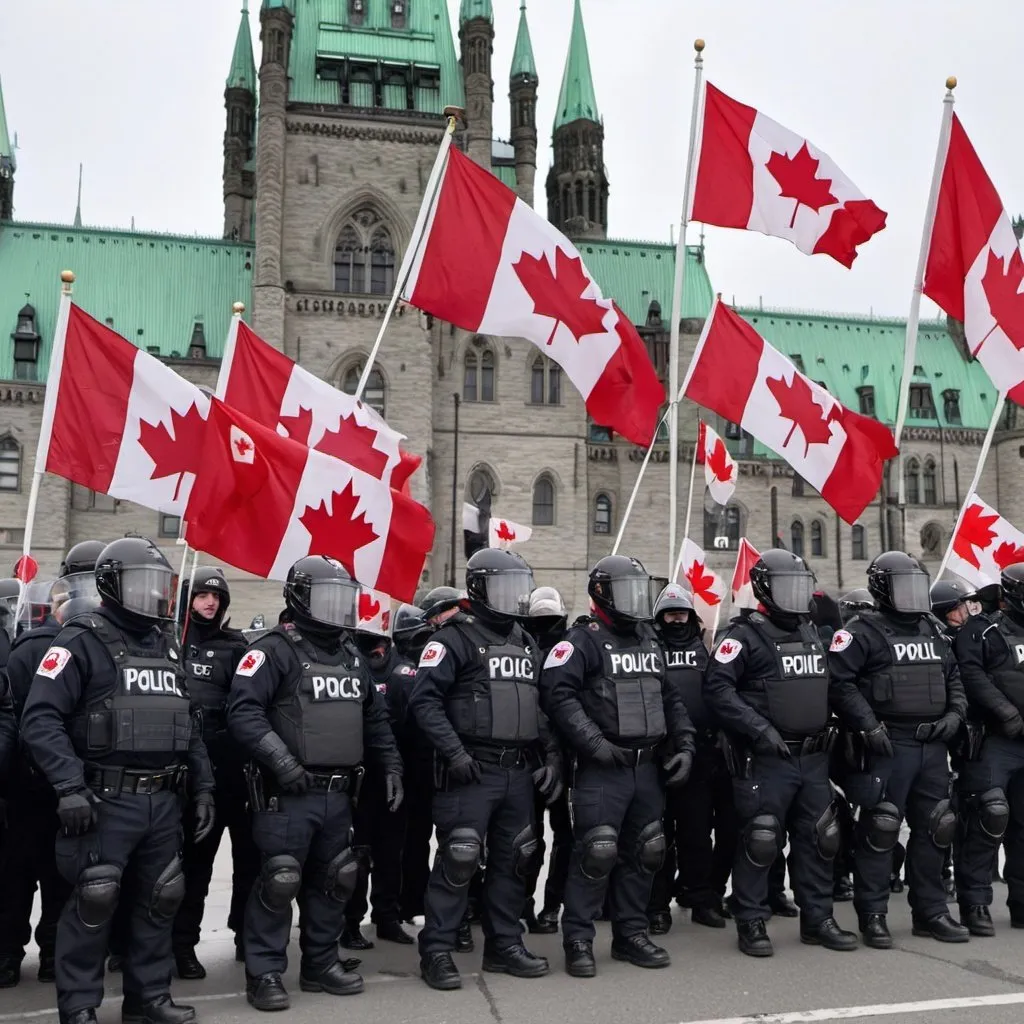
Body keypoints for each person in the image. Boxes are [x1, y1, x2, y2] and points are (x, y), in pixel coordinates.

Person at [20, 536, 215, 1024]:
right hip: (104, 799)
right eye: (141, 584)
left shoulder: (167, 645)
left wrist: (205, 785)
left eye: (158, 586)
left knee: (160, 900)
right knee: (94, 900)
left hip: (164, 801)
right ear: (110, 585)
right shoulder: (81, 640)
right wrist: (68, 786)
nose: (152, 595)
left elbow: (186, 725)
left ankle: (148, 999)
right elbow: (39, 720)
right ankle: (79, 1006)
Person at [227, 555, 403, 1012]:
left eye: (342, 600)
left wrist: (393, 767)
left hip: (339, 793)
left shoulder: (350, 654)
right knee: (279, 882)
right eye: (326, 598)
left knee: (335, 881)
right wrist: (282, 763)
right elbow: (243, 712)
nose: (336, 609)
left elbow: (375, 719)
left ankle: (320, 964)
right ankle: (264, 973)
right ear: (300, 598)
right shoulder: (272, 651)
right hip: (287, 796)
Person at [410, 549, 562, 990]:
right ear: (478, 588)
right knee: (459, 859)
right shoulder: (451, 638)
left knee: (516, 861)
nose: (513, 597)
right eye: (504, 587)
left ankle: (504, 946)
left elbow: (540, 706)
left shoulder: (525, 639)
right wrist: (454, 753)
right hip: (470, 772)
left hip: (519, 773)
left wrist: (551, 755)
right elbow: (425, 701)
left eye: (519, 588)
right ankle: (436, 950)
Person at [540, 555, 695, 978]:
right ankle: (578, 939)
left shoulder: (648, 639)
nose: (635, 601)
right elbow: (558, 696)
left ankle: (631, 934)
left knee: (645, 852)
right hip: (602, 768)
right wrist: (593, 743)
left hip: (647, 768)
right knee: (597, 852)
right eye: (627, 592)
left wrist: (684, 743)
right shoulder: (580, 642)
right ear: (602, 595)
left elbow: (671, 698)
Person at [705, 550, 857, 958]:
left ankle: (818, 918)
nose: (796, 596)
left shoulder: (811, 631)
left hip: (812, 757)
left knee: (820, 839)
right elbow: (718, 690)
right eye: (787, 587)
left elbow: (832, 684)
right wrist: (759, 729)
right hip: (767, 758)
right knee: (761, 839)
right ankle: (751, 918)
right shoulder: (741, 636)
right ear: (764, 589)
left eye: (799, 586)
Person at [828, 551, 968, 947]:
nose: (910, 595)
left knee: (937, 828)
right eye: (902, 587)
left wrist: (955, 714)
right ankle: (873, 914)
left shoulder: (931, 628)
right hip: (889, 745)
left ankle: (932, 911)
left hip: (932, 746)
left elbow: (953, 675)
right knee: (881, 829)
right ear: (881, 588)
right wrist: (867, 725)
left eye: (915, 587)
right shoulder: (861, 631)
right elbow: (840, 682)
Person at [0, 542, 102, 988]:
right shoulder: (36, 649)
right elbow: (19, 717)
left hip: (62, 787)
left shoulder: (99, 649)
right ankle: (20, 954)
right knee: (25, 878)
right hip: (40, 787)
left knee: (51, 879)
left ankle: (35, 955)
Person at [172, 567, 256, 979]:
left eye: (217, 597)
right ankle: (183, 946)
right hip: (187, 776)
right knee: (194, 868)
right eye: (203, 595)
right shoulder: (169, 642)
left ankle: (247, 938)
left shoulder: (236, 647)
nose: (210, 603)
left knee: (250, 862)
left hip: (234, 772)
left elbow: (253, 705)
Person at [648, 584, 736, 933]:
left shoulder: (706, 651)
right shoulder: (649, 651)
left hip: (701, 757)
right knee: (656, 838)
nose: (675, 619)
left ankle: (700, 898)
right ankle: (656, 905)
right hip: (657, 755)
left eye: (680, 613)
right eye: (669, 614)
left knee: (696, 835)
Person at [952, 563, 1024, 934]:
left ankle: (1021, 902)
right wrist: (1004, 710)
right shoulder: (983, 630)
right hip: (995, 739)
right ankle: (975, 903)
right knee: (988, 818)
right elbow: (971, 673)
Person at [341, 616, 418, 949]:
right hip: (356, 777)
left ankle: (387, 917)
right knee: (357, 856)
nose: (377, 645)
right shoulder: (348, 665)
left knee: (391, 852)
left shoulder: (404, 669)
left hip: (394, 773)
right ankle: (350, 923)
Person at [521, 586, 573, 934]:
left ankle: (552, 906)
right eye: (540, 622)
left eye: (551, 622)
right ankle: (522, 905)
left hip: (569, 758)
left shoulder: (574, 650)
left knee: (567, 837)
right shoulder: (520, 650)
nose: (546, 629)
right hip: (527, 758)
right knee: (527, 840)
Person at [391, 603, 436, 924]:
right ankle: (408, 904)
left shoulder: (427, 670)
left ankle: (414, 902)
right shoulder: (403, 674)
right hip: (409, 770)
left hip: (431, 768)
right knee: (410, 842)